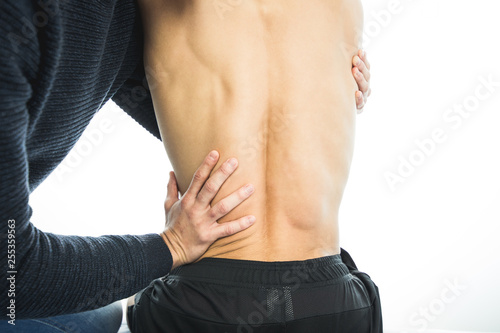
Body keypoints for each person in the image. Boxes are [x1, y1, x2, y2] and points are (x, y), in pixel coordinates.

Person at [0, 0, 371, 332]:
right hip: (336, 302)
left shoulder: (145, 11)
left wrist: (324, 100)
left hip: (200, 305)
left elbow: (206, 107)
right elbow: (10, 278)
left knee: (109, 313)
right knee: (94, 314)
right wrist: (169, 246)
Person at [127, 0, 380, 332]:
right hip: (332, 303)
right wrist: (347, 99)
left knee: (125, 300)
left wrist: (170, 247)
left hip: (201, 305)